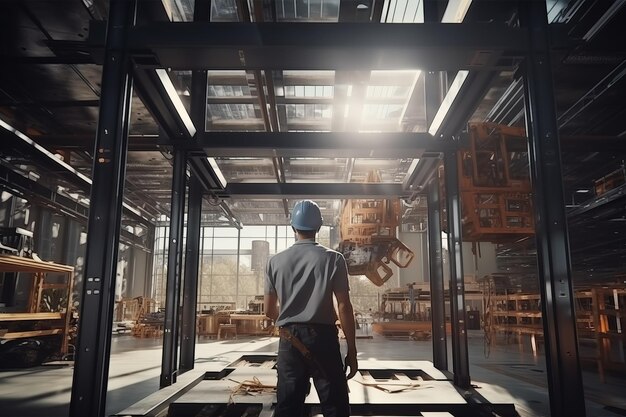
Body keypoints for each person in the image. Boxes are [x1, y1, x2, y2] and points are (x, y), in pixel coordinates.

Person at [265, 200, 358, 417]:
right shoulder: (334, 259)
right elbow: (344, 306)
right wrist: (352, 350)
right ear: (319, 227)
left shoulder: (275, 262)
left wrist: (290, 322)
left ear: (293, 227)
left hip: (289, 340)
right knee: (335, 406)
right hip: (324, 339)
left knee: (288, 406)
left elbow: (269, 310)